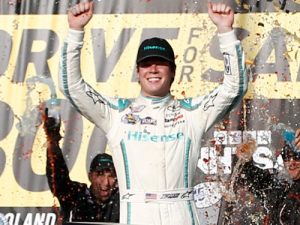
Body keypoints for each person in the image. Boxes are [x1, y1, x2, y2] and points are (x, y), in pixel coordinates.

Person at [58, 1, 248, 224]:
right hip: (137, 214)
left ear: (173, 71)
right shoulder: (116, 114)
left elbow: (235, 86)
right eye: (147, 64)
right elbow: (73, 87)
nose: (154, 69)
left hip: (182, 215)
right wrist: (75, 32)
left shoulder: (192, 113)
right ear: (137, 72)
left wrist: (225, 31)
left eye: (161, 63)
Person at [43, 108, 119, 223]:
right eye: (100, 175)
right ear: (90, 176)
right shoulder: (77, 195)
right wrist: (52, 141)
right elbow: (58, 178)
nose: (106, 182)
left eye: (111, 176)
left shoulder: (121, 201)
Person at [232, 129, 300, 225]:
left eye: (297, 156)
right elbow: (254, 178)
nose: (291, 162)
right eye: (286, 156)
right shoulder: (281, 187)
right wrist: (244, 159)